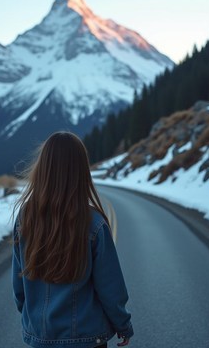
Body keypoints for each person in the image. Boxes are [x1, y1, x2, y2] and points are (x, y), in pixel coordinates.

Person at [12, 131, 134, 348]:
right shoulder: (94, 223)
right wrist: (122, 326)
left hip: (41, 338)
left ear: (43, 169)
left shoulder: (25, 218)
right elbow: (111, 288)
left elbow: (19, 286)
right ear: (80, 171)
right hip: (87, 339)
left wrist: (34, 318)